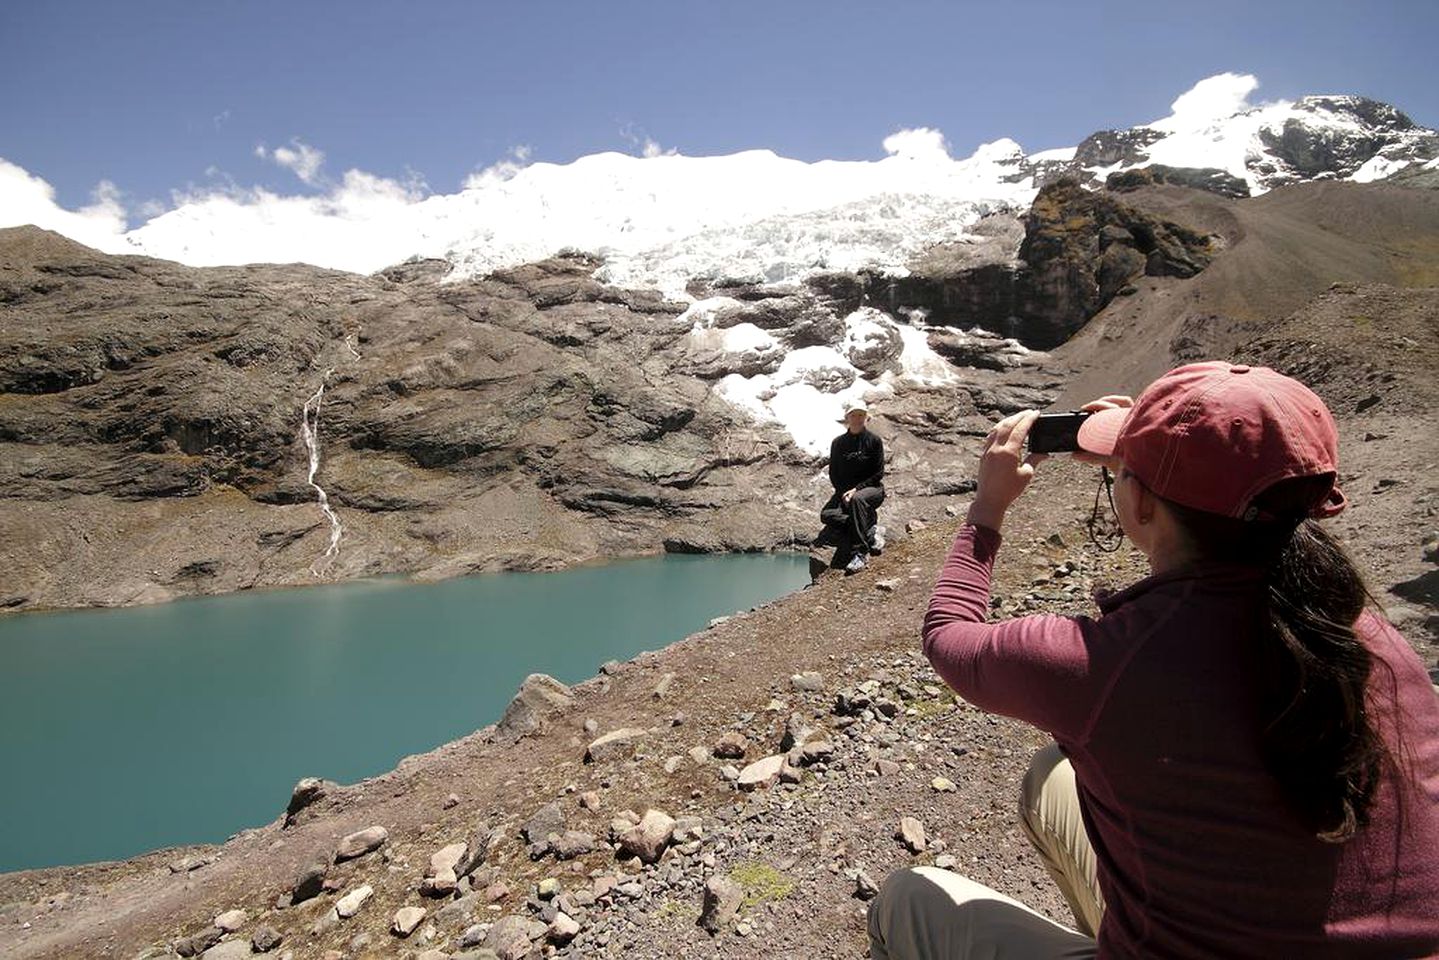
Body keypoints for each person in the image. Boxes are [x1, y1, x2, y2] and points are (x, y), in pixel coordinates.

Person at [868, 361, 1439, 959]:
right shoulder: (1367, 634)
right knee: (1050, 777)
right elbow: (1213, 543)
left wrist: (987, 511)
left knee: (906, 900)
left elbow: (949, 635)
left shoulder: (1105, 664)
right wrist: (1159, 464)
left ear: (1138, 503)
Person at [818, 398, 885, 574]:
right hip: (845, 492)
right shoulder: (838, 443)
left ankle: (860, 553)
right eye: (854, 415)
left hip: (872, 489)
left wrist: (855, 490)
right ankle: (868, 528)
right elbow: (834, 474)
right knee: (826, 515)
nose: (857, 418)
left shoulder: (874, 441)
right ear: (847, 418)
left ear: (866, 418)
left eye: (861, 415)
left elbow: (878, 473)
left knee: (857, 500)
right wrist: (842, 493)